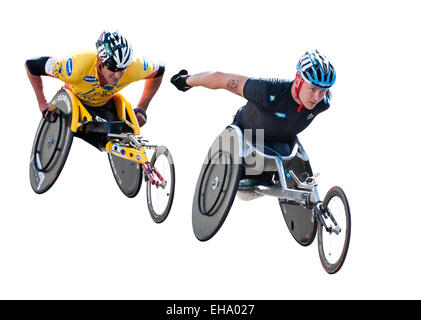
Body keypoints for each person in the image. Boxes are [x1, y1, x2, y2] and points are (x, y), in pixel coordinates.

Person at [171, 49, 335, 185]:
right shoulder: (268, 90)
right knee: (263, 158)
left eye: (323, 91)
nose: (316, 97)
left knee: (284, 150)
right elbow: (219, 78)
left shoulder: (323, 102)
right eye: (312, 89)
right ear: (298, 79)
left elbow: (320, 96)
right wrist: (186, 80)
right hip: (248, 140)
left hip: (280, 147)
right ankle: (250, 173)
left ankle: (268, 176)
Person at [25, 30, 165, 149]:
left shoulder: (135, 67)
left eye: (122, 69)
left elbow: (160, 70)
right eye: (113, 68)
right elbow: (32, 66)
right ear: (100, 61)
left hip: (104, 105)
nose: (117, 75)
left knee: (114, 136)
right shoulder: (75, 66)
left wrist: (142, 108)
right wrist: (42, 104)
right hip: (74, 106)